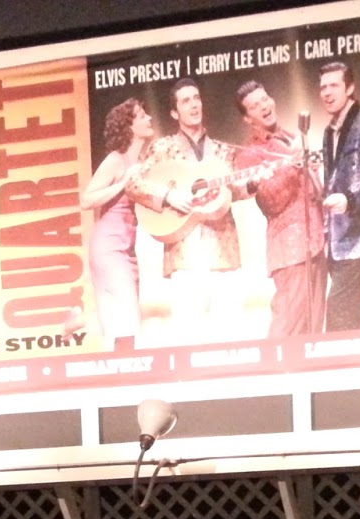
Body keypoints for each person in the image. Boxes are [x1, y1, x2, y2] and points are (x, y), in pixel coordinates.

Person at [127, 79, 248, 342]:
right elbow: (133, 183)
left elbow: (236, 191)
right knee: (188, 338)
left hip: (222, 250)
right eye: (186, 101)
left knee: (229, 337)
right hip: (182, 251)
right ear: (174, 113)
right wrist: (168, 195)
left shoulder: (221, 150)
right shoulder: (163, 149)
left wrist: (250, 184)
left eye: (196, 98)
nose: (194, 105)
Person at [233, 80, 324, 337]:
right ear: (248, 119)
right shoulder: (250, 155)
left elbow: (311, 188)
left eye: (264, 99)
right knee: (287, 328)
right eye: (254, 106)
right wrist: (293, 163)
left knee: (314, 329)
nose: (263, 106)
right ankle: (270, 375)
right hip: (290, 249)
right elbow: (272, 201)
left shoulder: (291, 138)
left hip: (316, 241)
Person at [315, 61, 360, 333]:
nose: (327, 92)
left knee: (338, 311)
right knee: (352, 315)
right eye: (323, 87)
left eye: (333, 85)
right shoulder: (328, 131)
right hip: (336, 239)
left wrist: (349, 199)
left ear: (350, 87)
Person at [80, 98, 154, 350]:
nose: (149, 119)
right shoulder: (116, 160)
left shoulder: (141, 164)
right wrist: (123, 183)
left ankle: (77, 323)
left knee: (121, 319)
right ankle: (124, 371)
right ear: (129, 126)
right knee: (128, 317)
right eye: (142, 116)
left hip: (127, 250)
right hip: (108, 248)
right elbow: (86, 199)